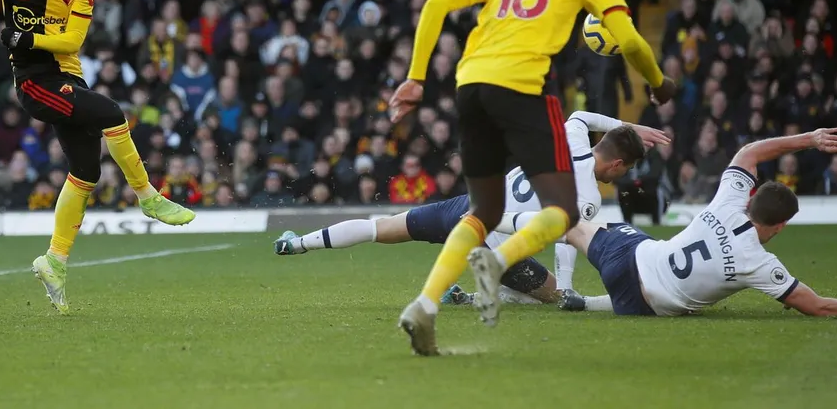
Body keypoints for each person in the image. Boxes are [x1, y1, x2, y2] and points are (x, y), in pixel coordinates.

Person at [387, 0, 675, 355]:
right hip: (522, 89)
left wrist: (417, 77)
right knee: (564, 212)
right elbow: (633, 41)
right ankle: (498, 259)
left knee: (482, 211)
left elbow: (435, 3)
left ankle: (425, 304)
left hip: (470, 84)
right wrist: (659, 84)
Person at [0, 0, 196, 315]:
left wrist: (25, 37)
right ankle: (147, 197)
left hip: (69, 77)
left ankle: (54, 261)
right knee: (113, 113)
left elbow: (72, 40)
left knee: (86, 172)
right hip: (34, 82)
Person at [274, 112, 667, 303]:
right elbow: (569, 238)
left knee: (383, 227)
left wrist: (629, 127)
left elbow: (581, 115)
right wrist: (565, 287)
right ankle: (467, 297)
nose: (621, 175)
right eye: (626, 169)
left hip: (467, 206)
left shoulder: (572, 136)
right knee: (547, 296)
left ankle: (297, 244)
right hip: (493, 246)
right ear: (617, 164)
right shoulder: (589, 196)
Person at [541, 129, 837, 317]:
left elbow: (750, 152)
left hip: (628, 255)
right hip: (641, 304)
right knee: (677, 301)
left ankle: (499, 228)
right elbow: (816, 305)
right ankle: (585, 302)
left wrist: (809, 140)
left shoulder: (728, 200)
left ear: (750, 197)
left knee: (569, 221)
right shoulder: (758, 263)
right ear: (781, 226)